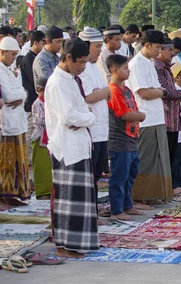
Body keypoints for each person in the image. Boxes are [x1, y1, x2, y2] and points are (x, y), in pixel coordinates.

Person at [45, 38, 98, 258]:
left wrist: (85, 117)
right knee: (68, 200)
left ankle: (75, 244)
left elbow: (81, 111)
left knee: (80, 199)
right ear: (68, 58)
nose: (84, 66)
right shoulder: (57, 82)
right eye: (81, 62)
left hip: (78, 145)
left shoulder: (70, 79)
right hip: (66, 147)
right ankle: (63, 246)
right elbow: (69, 116)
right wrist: (89, 117)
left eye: (86, 62)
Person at [125, 30, 172, 206]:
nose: (159, 52)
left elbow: (155, 89)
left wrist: (160, 92)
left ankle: (153, 194)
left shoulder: (150, 62)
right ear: (147, 45)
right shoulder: (137, 64)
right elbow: (144, 92)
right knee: (145, 160)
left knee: (158, 159)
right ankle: (139, 196)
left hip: (157, 116)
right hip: (145, 117)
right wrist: (163, 92)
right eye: (157, 47)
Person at [106, 54, 146, 220]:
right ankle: (116, 209)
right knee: (119, 176)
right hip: (119, 139)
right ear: (115, 70)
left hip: (131, 137)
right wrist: (141, 116)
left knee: (131, 173)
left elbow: (134, 109)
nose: (128, 71)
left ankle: (127, 205)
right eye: (125, 68)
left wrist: (138, 115)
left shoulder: (126, 90)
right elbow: (124, 114)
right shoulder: (113, 90)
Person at [78, 27, 111, 200]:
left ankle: (93, 211)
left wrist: (104, 91)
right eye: (97, 46)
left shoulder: (94, 67)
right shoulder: (83, 69)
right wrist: (106, 91)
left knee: (96, 172)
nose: (100, 50)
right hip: (91, 128)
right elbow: (89, 96)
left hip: (101, 128)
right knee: (91, 174)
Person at [0, 37, 30, 211]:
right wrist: (19, 95)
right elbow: (9, 96)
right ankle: (4, 195)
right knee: (6, 162)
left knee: (19, 161)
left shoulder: (10, 70)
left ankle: (14, 195)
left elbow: (23, 91)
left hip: (18, 122)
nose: (14, 58)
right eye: (11, 54)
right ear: (2, 52)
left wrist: (20, 96)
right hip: (6, 124)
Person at [154, 38, 181, 195]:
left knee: (174, 154)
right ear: (160, 50)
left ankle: (171, 186)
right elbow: (168, 92)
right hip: (165, 118)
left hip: (174, 118)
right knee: (166, 155)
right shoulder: (158, 68)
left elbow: (171, 91)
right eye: (169, 50)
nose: (172, 53)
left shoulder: (167, 68)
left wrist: (178, 94)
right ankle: (167, 187)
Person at [21, 30, 46, 164]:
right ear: (35, 42)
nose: (45, 45)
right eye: (43, 42)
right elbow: (36, 81)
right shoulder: (29, 58)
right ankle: (30, 161)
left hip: (37, 101)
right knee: (32, 132)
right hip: (31, 101)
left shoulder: (36, 57)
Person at [31, 77, 51, 200]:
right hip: (40, 137)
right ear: (39, 90)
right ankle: (42, 192)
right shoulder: (37, 104)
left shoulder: (49, 102)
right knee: (41, 166)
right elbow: (42, 120)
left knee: (49, 165)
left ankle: (50, 190)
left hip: (50, 137)